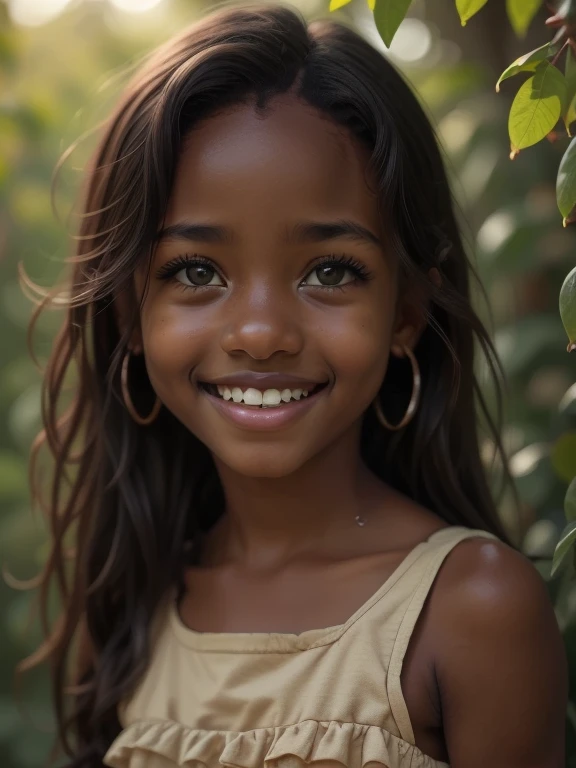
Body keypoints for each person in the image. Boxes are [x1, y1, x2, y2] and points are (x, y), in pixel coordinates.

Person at [19, 3, 567, 767]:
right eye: (197, 272)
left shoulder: (472, 611)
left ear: (406, 313)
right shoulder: (139, 603)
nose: (261, 332)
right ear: (130, 316)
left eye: (330, 271)